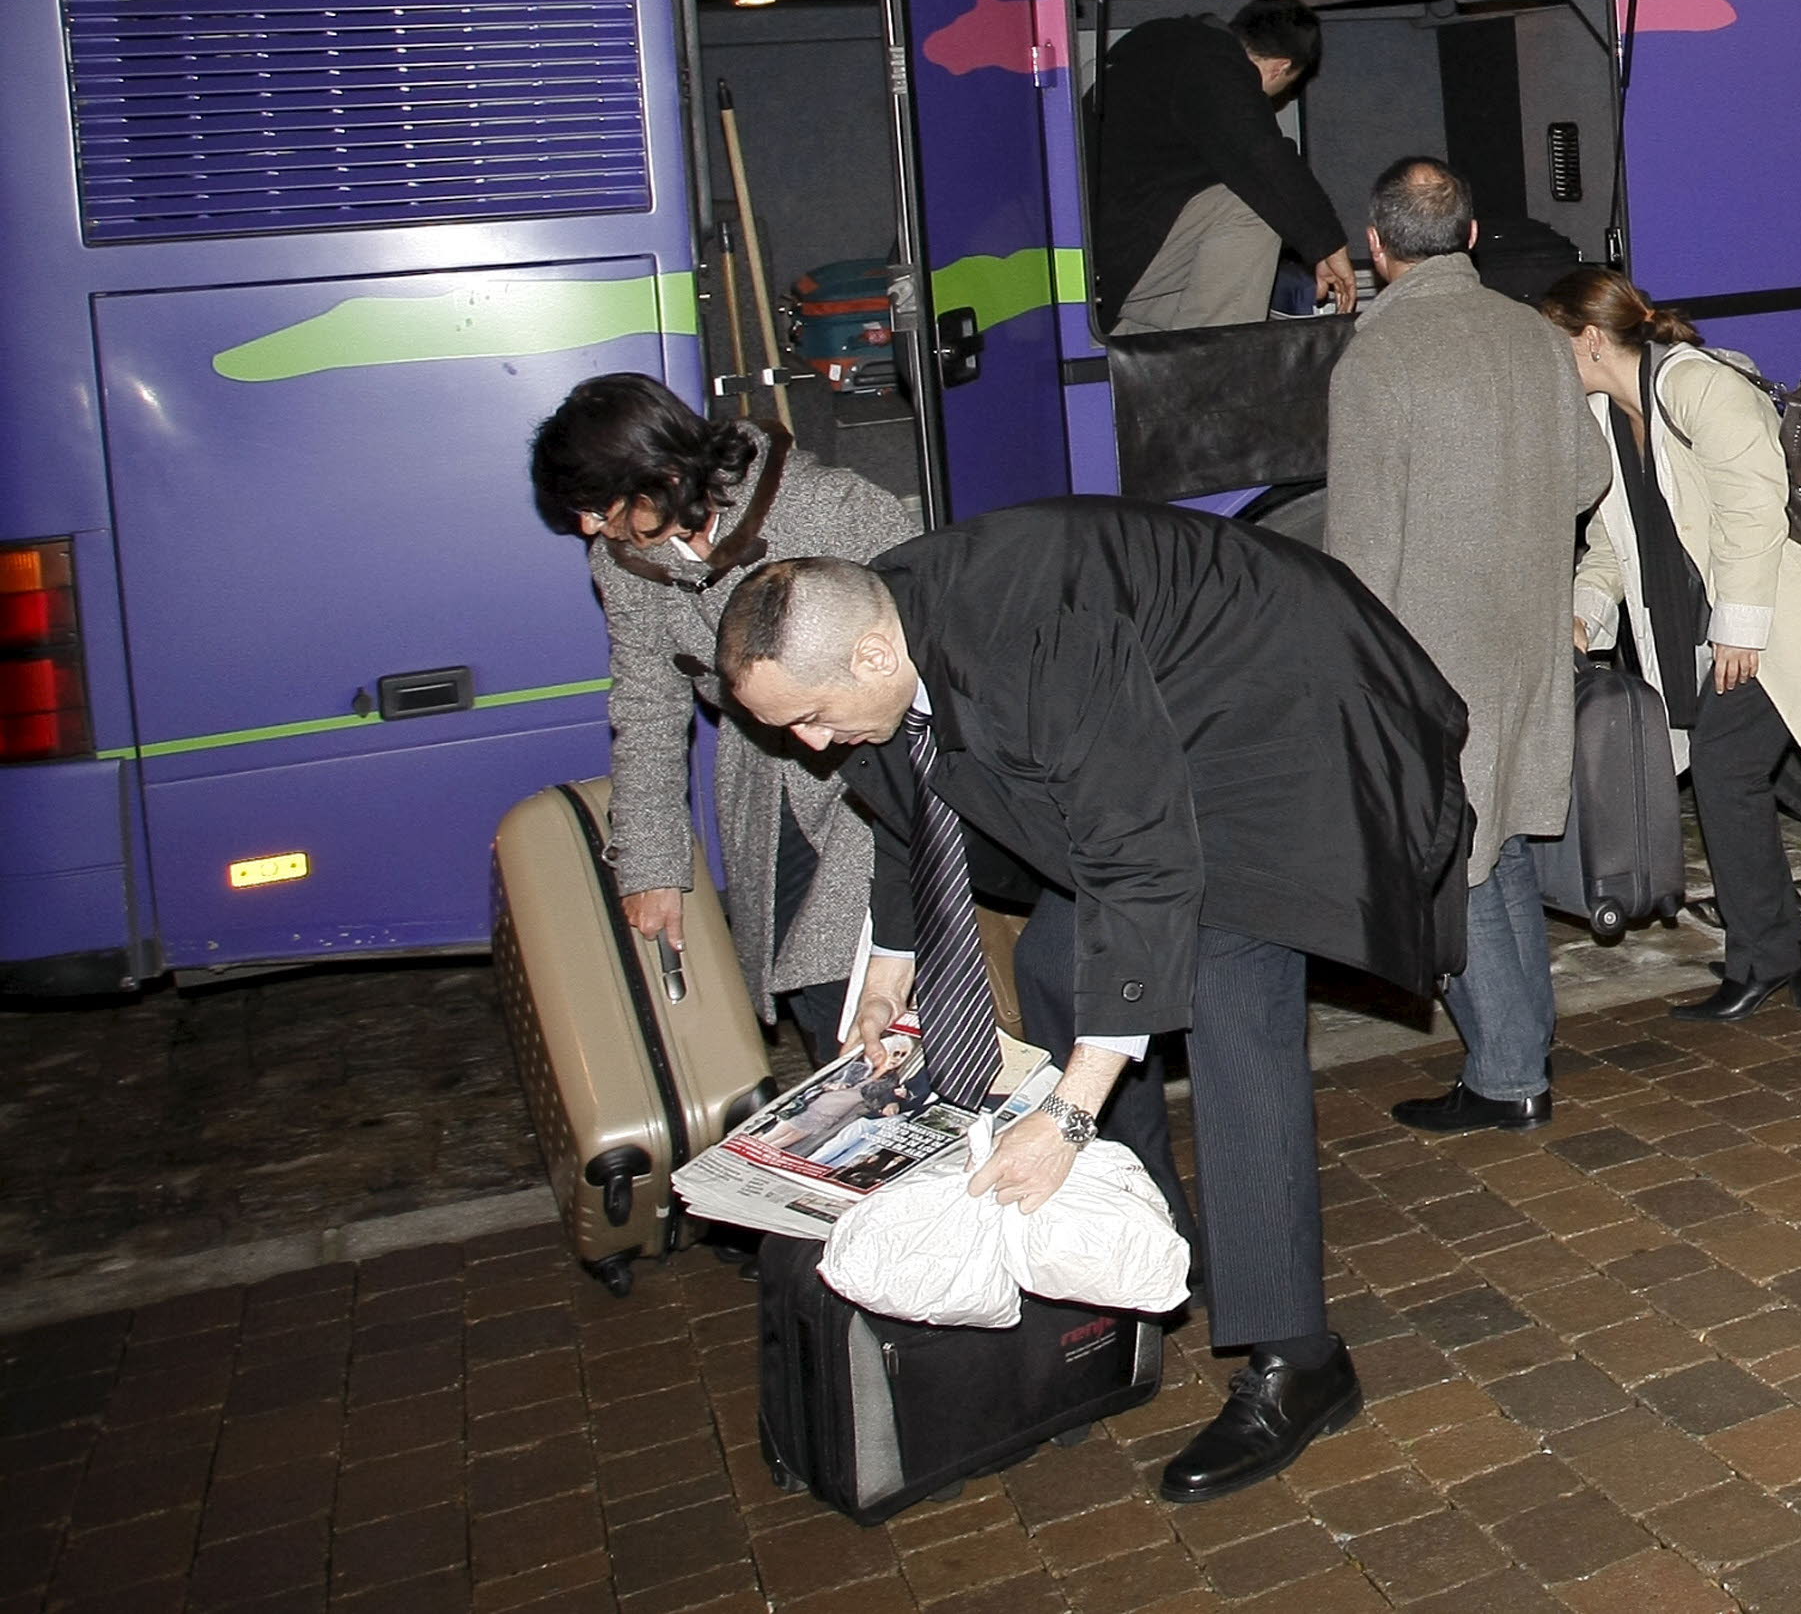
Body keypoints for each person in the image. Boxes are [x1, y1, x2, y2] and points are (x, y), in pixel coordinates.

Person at [711, 503, 1471, 1502]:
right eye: (790, 726)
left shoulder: (1032, 643)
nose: (810, 744)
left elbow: (1143, 860)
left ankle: (1300, 1358)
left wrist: (1067, 1115)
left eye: (811, 714)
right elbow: (910, 798)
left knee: (1229, 1005)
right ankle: (1162, 1243)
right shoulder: (882, 634)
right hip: (1155, 728)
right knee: (1063, 966)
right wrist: (887, 972)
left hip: (1279, 718)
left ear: (866, 649)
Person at [1325, 157, 1606, 1131]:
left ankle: (1507, 1072)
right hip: (1524, 633)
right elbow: (1587, 474)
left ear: (1378, 246)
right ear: (1474, 236)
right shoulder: (1532, 333)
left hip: (1429, 653)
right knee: (1505, 843)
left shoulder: (1377, 357)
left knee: (1459, 859)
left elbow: (1360, 549)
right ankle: (1527, 1036)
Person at [526, 373, 918, 1042]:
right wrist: (652, 868)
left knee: (852, 983)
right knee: (807, 986)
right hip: (769, 779)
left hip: (883, 764)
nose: (591, 526)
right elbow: (647, 704)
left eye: (601, 504)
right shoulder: (623, 559)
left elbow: (927, 650)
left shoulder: (829, 508)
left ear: (664, 475)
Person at [1541, 269, 1801, 1020]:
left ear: (1590, 339)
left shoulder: (1697, 386)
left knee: (1726, 771)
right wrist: (1584, 614)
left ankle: (1765, 959)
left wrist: (1741, 629)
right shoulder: (1603, 412)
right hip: (1710, 618)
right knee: (1729, 774)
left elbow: (1758, 505)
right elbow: (1608, 539)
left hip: (1774, 609)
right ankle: (1774, 952)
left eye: (1553, 339)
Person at [1093, 0, 1361, 333]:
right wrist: (1328, 244)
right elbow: (1262, 158)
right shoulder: (1214, 61)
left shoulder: (1156, 38)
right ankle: (1215, 373)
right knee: (1253, 206)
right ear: (1280, 67)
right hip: (1125, 253)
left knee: (1209, 304)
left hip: (1109, 255)